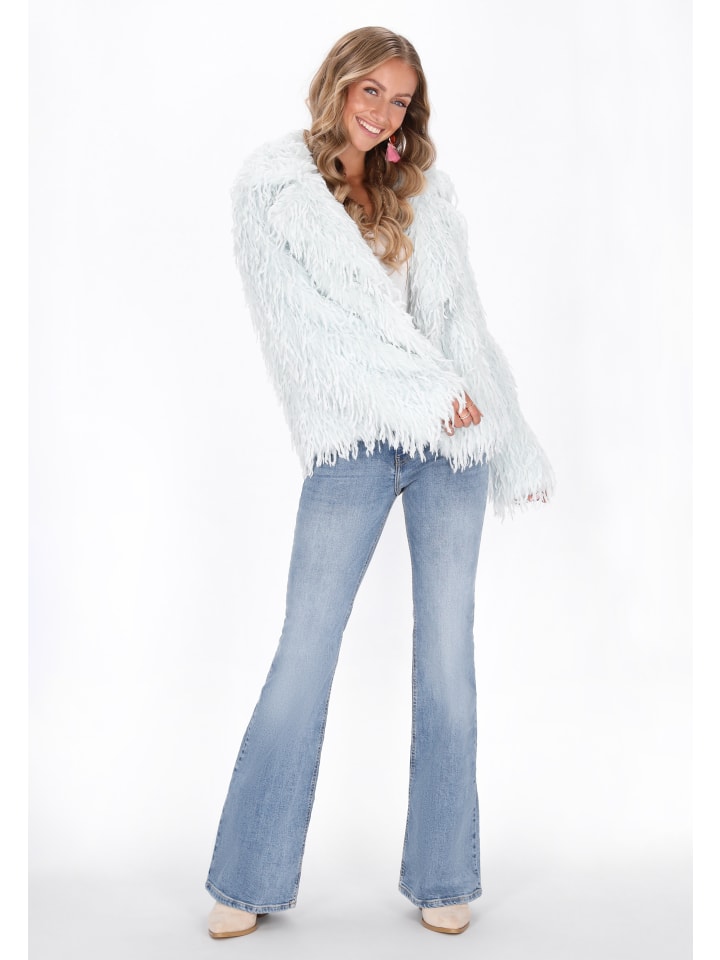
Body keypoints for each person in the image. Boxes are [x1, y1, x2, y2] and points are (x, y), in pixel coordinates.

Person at [205, 25, 554, 939]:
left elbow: (462, 324)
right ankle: (245, 878)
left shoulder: (421, 193)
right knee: (306, 650)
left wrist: (507, 435)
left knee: (448, 657)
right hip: (354, 442)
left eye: (400, 101)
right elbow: (310, 338)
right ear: (338, 82)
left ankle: (443, 873)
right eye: (372, 91)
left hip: (452, 447)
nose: (384, 113)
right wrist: (432, 394)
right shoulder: (274, 190)